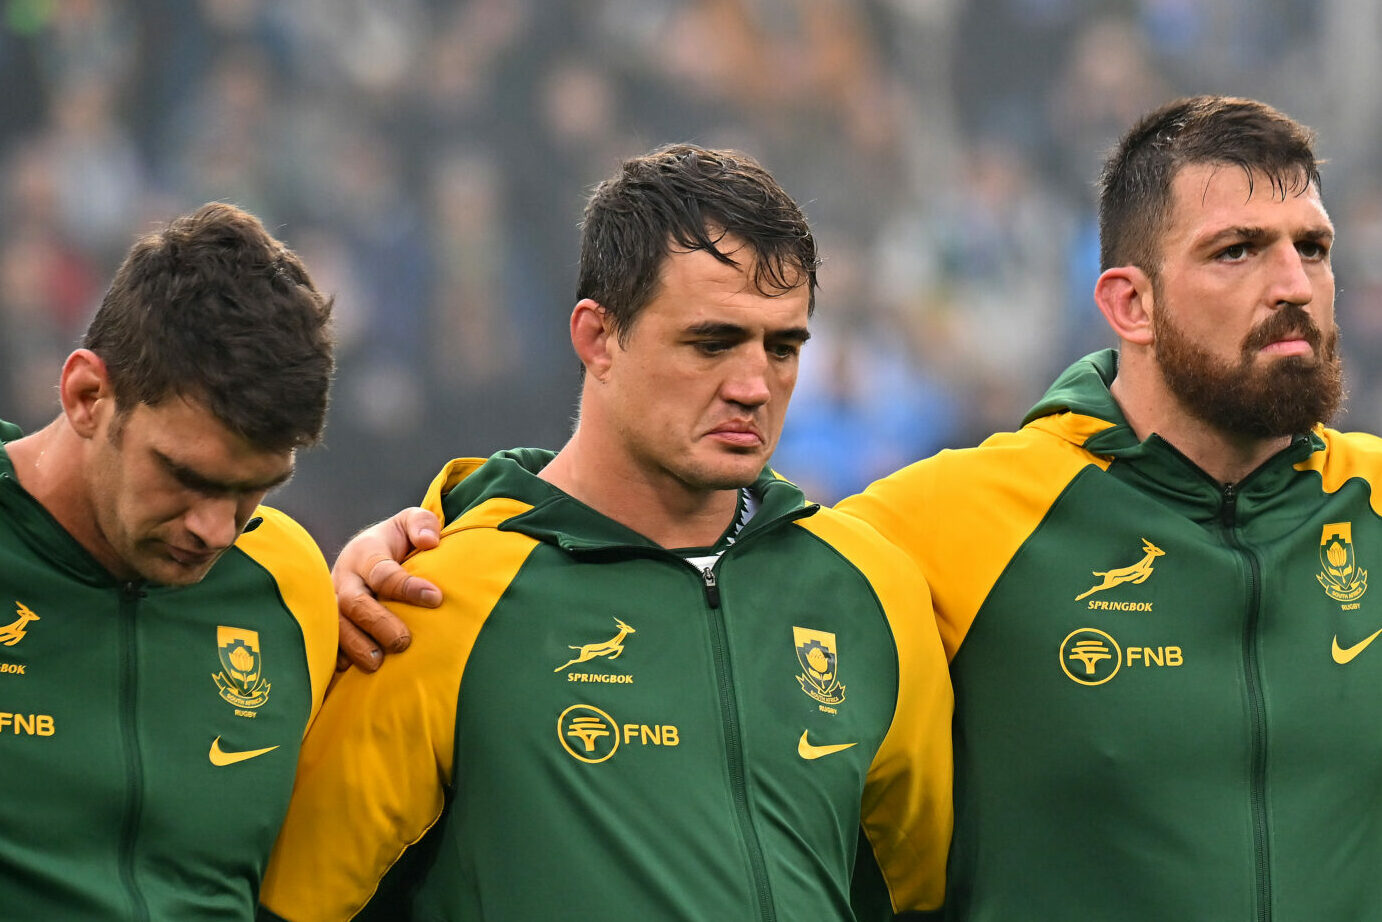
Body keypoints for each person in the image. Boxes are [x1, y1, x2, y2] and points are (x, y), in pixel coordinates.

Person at [337, 96, 1378, 919]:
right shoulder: (944, 527)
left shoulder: (1368, 498)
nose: (1291, 282)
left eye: (1312, 247)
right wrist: (414, 538)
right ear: (1126, 303)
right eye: (1237, 249)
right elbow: (671, 547)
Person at [258, 144, 953, 921]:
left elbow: (917, 894)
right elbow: (298, 904)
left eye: (783, 346)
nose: (755, 386)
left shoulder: (872, 590)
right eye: (713, 342)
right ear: (597, 338)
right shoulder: (438, 596)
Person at [0, 202, 338, 921]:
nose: (217, 530)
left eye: (254, 490)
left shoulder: (288, 580)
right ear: (88, 395)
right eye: (188, 476)